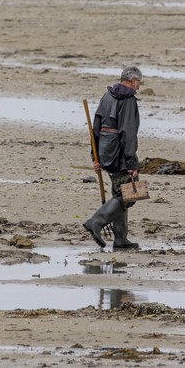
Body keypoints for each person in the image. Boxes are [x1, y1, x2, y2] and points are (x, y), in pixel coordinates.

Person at [83, 66, 143, 251]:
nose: (139, 87)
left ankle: (121, 238)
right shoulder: (129, 100)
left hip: (105, 152)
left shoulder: (107, 96)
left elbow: (95, 128)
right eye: (139, 83)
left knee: (120, 192)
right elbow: (128, 132)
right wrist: (132, 162)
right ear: (133, 80)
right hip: (120, 154)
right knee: (128, 195)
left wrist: (95, 156)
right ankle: (96, 222)